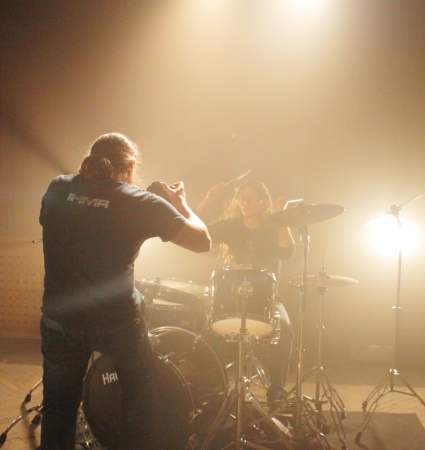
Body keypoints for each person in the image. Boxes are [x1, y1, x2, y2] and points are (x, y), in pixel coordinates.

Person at [38, 132, 210, 450]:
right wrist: (180, 204)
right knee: (139, 400)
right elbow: (203, 241)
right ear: (130, 167)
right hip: (116, 322)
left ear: (91, 157)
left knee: (58, 409)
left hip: (60, 318)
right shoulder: (139, 203)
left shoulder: (58, 187)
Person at [196, 180, 295, 405]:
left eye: (251, 198)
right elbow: (195, 230)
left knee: (285, 329)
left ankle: (276, 390)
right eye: (242, 197)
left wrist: (281, 214)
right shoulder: (231, 226)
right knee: (206, 329)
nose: (245, 202)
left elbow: (287, 251)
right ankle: (213, 388)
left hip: (267, 299)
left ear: (262, 202)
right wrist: (208, 200)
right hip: (232, 299)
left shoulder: (272, 225)